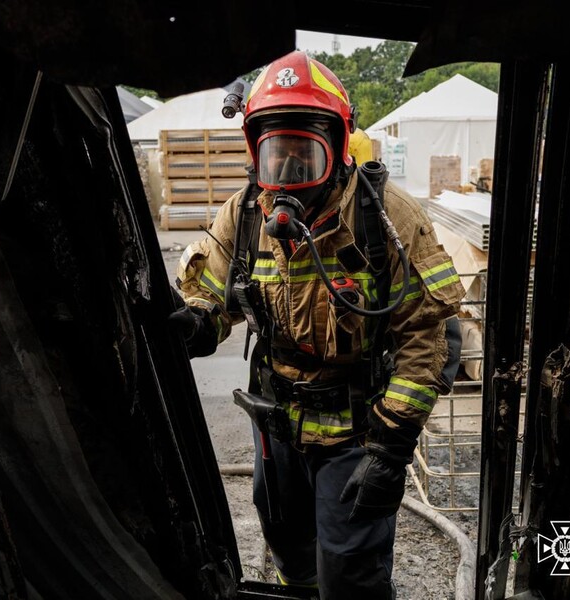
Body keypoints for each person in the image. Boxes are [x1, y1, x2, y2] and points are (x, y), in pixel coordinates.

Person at [168, 50, 465, 599]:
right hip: (276, 425)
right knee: (288, 548)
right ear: (255, 150)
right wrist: (194, 323)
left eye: (304, 156)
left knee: (350, 569)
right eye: (274, 155)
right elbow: (212, 296)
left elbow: (429, 338)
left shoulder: (387, 219)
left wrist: (391, 449)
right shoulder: (245, 213)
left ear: (339, 151)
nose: (286, 175)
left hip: (356, 435)